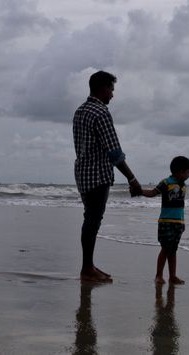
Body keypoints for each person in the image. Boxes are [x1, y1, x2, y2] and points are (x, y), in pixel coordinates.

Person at [73, 70, 142, 283]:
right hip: (97, 175)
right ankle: (86, 269)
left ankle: (88, 266)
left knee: (90, 219)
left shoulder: (80, 111)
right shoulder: (101, 113)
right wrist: (132, 179)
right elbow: (114, 152)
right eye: (111, 89)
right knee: (93, 221)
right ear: (102, 88)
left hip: (82, 173)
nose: (112, 94)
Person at [141, 156, 189, 285]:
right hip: (166, 222)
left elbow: (181, 206)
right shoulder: (166, 183)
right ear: (180, 171)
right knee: (165, 248)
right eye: (188, 172)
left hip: (178, 223)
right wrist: (139, 191)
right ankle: (158, 275)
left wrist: (183, 222)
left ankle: (172, 276)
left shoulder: (183, 185)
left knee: (173, 250)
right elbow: (152, 193)